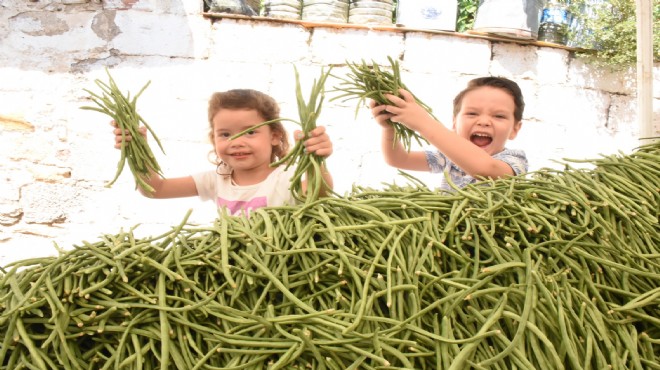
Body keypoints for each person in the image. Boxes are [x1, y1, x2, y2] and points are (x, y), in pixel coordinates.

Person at [113, 88, 334, 215]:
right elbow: (156, 189)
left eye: (250, 133)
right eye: (225, 134)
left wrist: (317, 161)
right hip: (230, 280)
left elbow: (318, 194)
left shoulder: (287, 178)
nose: (236, 142)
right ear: (213, 139)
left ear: (274, 136)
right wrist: (137, 150)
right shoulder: (218, 179)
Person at [370, 76, 527, 191]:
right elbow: (399, 159)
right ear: (454, 122)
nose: (484, 121)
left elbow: (486, 169)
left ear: (514, 129)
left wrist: (424, 123)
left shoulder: (514, 161)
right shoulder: (448, 158)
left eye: (499, 116)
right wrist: (390, 127)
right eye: (472, 113)